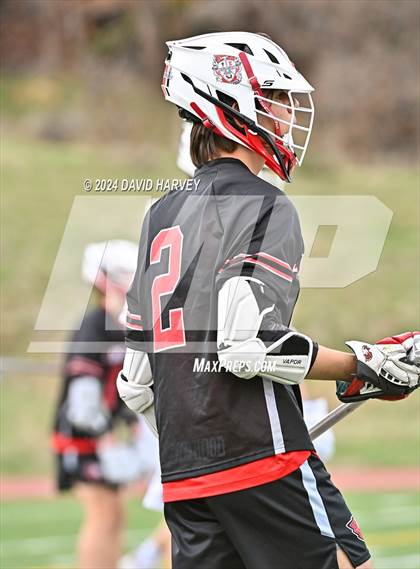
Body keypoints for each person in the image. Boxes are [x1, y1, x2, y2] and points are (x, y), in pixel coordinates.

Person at [117, 32, 419, 569]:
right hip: (263, 457)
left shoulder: (159, 214)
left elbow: (136, 383)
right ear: (232, 105)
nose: (284, 115)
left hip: (184, 475)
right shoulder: (264, 205)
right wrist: (362, 364)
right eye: (275, 99)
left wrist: (202, 437)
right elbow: (248, 346)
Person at [51, 240, 145, 569]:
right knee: (102, 513)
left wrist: (131, 424)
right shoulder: (92, 325)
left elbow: (120, 388)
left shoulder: (122, 327)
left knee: (115, 515)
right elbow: (83, 399)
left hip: (103, 435)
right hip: (80, 436)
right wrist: (105, 435)